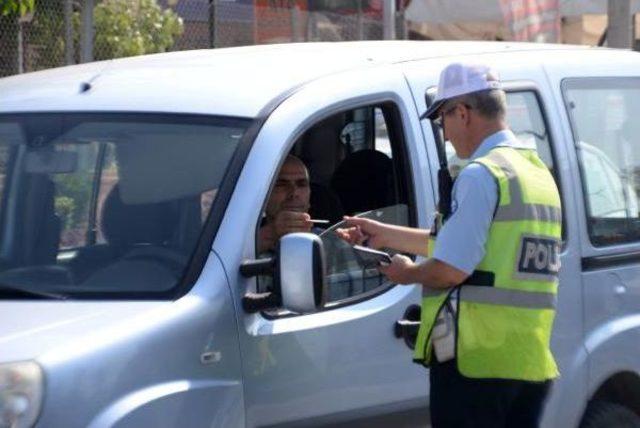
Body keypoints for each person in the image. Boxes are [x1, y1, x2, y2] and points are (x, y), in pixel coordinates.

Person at [337, 63, 562, 428]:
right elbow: (473, 248)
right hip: (527, 363)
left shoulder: (481, 174)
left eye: (443, 118)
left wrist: (407, 273)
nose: (444, 133)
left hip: (476, 363)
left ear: (463, 111)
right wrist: (383, 233)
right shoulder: (534, 173)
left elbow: (451, 267)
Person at [258, 155, 314, 253]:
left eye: (301, 184)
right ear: (264, 194)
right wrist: (271, 233)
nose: (294, 193)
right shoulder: (242, 236)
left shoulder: (327, 243)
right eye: (281, 185)